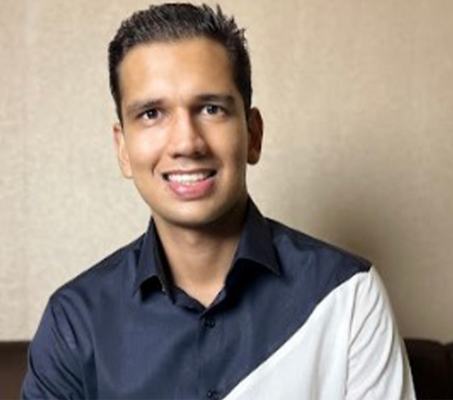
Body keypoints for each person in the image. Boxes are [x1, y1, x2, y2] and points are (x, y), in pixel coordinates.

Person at [22, 3, 415, 399]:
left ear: (253, 135)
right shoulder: (73, 322)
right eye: (152, 113)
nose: (186, 143)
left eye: (211, 109)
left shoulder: (349, 295)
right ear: (123, 148)